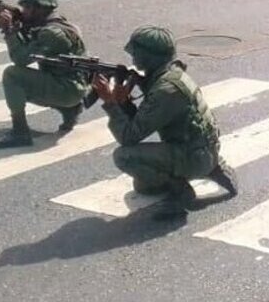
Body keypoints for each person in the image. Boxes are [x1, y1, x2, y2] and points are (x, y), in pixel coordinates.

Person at [93, 26, 238, 220]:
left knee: (124, 157)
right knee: (143, 187)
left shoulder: (165, 90)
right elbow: (144, 121)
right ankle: (213, 168)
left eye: (136, 53)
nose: (133, 58)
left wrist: (110, 102)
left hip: (194, 154)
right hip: (204, 148)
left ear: (148, 56)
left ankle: (181, 192)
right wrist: (125, 100)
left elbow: (128, 137)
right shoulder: (172, 74)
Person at [0, 0, 88, 149]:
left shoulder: (51, 33)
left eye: (27, 7)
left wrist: (9, 31)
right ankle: (70, 110)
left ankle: (20, 132)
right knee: (31, 77)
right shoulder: (58, 23)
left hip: (68, 89)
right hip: (73, 85)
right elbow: (35, 49)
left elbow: (20, 59)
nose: (23, 11)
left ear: (39, 8)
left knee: (12, 75)